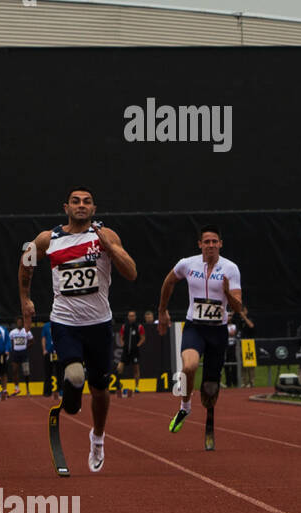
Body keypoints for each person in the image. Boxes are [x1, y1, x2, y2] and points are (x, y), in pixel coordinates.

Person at [20, 187, 137, 473]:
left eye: (86, 202)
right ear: (66, 207)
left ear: (94, 209)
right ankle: (71, 399)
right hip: (65, 322)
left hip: (99, 324)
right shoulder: (48, 239)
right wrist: (25, 298)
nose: (81, 205)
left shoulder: (105, 235)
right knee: (74, 374)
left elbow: (132, 272)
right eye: (76, 201)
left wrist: (109, 248)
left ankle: (97, 436)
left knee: (99, 389)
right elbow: (26, 264)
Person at [157, 225, 245, 447]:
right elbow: (168, 282)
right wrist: (162, 310)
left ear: (220, 244)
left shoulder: (231, 269)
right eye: (207, 242)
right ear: (200, 245)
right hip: (194, 327)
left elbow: (238, 306)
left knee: (210, 389)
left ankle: (209, 418)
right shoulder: (187, 264)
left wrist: (226, 292)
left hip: (218, 331)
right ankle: (184, 408)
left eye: (215, 242)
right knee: (189, 367)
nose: (211, 245)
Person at [117, 310, 145, 396]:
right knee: (119, 367)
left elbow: (143, 337)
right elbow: (121, 336)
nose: (131, 317)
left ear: (135, 317)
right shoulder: (124, 326)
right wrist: (122, 343)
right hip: (126, 350)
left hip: (134, 351)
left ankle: (136, 387)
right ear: (128, 317)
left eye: (133, 316)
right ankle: (118, 385)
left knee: (136, 369)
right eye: (130, 316)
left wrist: (137, 345)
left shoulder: (139, 326)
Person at [8, 317, 33, 396]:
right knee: (15, 370)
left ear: (22, 323)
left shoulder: (26, 331)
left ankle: (27, 389)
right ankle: (16, 388)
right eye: (18, 322)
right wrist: (13, 348)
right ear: (16, 323)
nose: (19, 323)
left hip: (24, 353)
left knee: (26, 372)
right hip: (15, 353)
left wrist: (26, 346)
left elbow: (32, 341)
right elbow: (10, 342)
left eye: (20, 322)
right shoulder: (12, 332)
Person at [41, 320, 59, 400]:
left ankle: (60, 391)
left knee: (60, 373)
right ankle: (47, 392)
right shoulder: (46, 326)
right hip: (49, 352)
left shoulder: (60, 324)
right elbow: (43, 338)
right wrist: (44, 349)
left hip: (58, 353)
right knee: (48, 373)